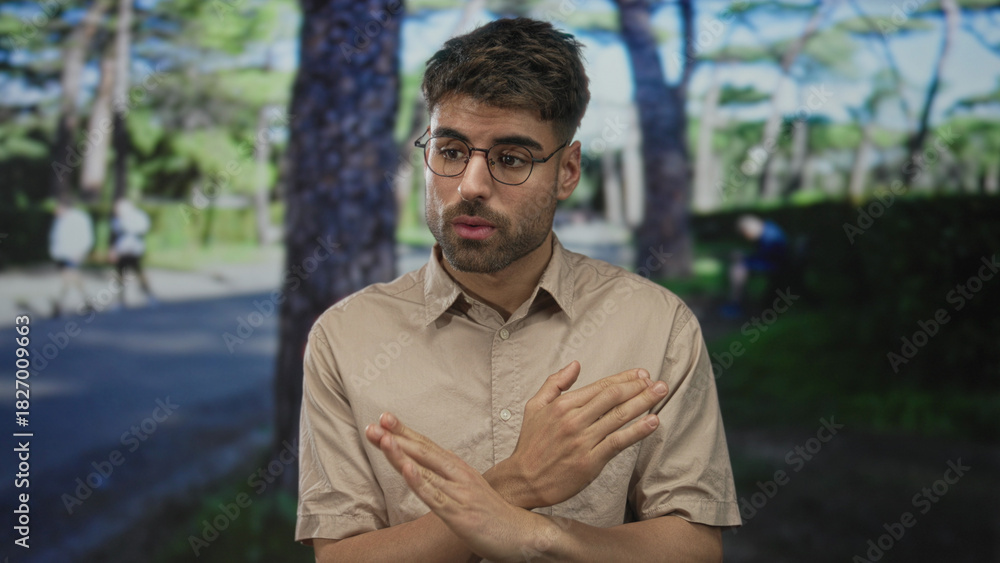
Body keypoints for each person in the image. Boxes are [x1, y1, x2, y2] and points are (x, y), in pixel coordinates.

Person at [296, 18, 740, 561]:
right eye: (451, 150)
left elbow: (694, 547)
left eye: (511, 159)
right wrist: (519, 484)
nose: (471, 186)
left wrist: (538, 535)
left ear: (568, 171)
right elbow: (339, 557)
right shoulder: (345, 337)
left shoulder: (656, 324)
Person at [723, 214, 789, 316]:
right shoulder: (768, 230)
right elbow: (763, 255)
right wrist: (745, 257)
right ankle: (736, 302)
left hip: (779, 267)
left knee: (738, 269)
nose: (746, 238)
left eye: (744, 234)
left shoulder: (769, 237)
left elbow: (766, 258)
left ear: (748, 231)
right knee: (739, 266)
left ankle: (735, 304)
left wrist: (745, 259)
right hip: (778, 264)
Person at [49, 200, 95, 317]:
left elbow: (86, 236)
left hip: (73, 254)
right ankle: (88, 301)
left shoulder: (78, 218)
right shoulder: (59, 220)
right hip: (62, 254)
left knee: (68, 278)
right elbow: (56, 237)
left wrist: (80, 252)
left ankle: (58, 305)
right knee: (74, 278)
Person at [109, 198, 157, 308]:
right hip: (122, 251)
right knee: (120, 275)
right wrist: (113, 250)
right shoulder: (117, 219)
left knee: (139, 273)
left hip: (134, 250)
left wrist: (127, 225)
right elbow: (114, 236)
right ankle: (121, 300)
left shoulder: (138, 217)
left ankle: (149, 295)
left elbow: (142, 230)